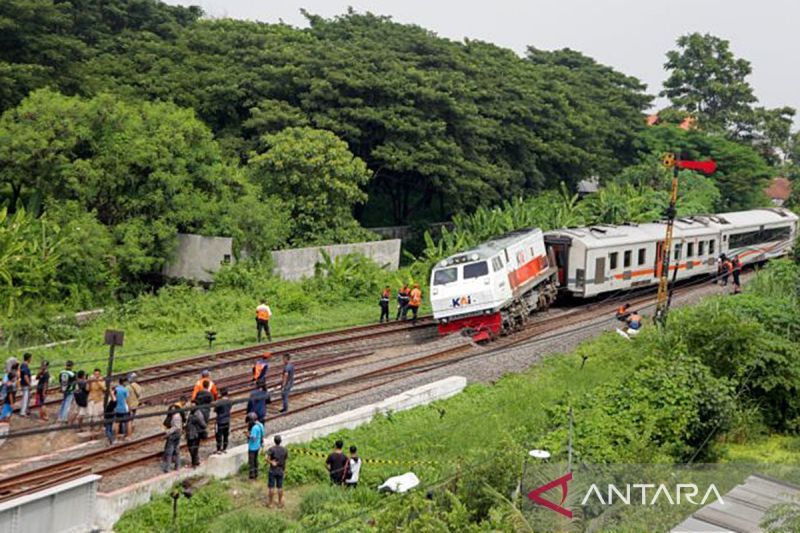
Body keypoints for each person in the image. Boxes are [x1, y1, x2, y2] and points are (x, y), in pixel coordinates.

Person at [267, 434, 288, 508]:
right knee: (280, 487)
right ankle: (280, 502)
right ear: (280, 441)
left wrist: (271, 462)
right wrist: (285, 470)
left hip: (273, 470)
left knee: (271, 487)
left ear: (274, 441)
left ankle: (271, 503)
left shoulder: (271, 449)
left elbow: (267, 459)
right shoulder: (284, 449)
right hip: (281, 470)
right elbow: (285, 461)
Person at [162, 400, 183, 472]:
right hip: (177, 434)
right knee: (176, 450)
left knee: (170, 451)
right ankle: (177, 466)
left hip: (174, 435)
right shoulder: (177, 416)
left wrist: (168, 432)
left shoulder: (176, 417)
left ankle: (167, 468)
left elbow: (176, 427)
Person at [186, 403, 207, 468]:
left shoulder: (197, 414)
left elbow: (203, 425)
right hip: (190, 434)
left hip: (195, 434)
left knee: (193, 449)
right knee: (192, 449)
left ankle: (194, 463)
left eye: (192, 406)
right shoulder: (191, 413)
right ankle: (196, 461)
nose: (191, 407)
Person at [214, 388, 232, 454]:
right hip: (227, 420)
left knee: (218, 435)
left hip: (220, 421)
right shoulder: (230, 401)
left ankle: (218, 449)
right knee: (226, 435)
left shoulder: (219, 402)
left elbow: (215, 410)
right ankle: (224, 448)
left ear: (221, 394)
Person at [246, 412, 264, 479]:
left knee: (251, 462)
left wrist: (248, 435)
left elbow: (253, 438)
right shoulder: (261, 425)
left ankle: (252, 476)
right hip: (258, 445)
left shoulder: (254, 428)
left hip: (252, 447)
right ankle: (256, 474)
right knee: (256, 460)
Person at [18, 353, 32, 417]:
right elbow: (26, 376)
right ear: (28, 358)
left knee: (26, 397)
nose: (31, 359)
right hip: (25, 384)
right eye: (31, 358)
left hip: (23, 383)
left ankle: (25, 410)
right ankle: (23, 412)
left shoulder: (22, 365)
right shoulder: (25, 366)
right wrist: (29, 384)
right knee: (25, 398)